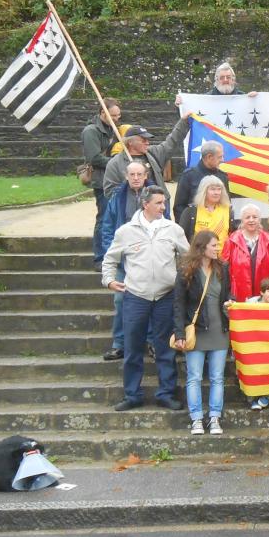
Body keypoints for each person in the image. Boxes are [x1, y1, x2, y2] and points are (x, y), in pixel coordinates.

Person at [101, 186, 189, 412]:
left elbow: (188, 258)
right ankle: (132, 394)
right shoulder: (126, 231)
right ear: (145, 204)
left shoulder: (173, 229)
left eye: (164, 203)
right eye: (159, 203)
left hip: (166, 296)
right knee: (132, 347)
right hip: (135, 296)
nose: (163, 207)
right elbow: (109, 259)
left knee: (165, 349)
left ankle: (166, 393)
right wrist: (109, 280)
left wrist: (182, 281)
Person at [172, 230, 232, 436]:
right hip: (196, 331)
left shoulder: (223, 267)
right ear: (202, 247)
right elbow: (178, 304)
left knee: (217, 377)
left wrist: (230, 302)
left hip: (220, 331)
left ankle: (215, 417)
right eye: (214, 245)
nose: (218, 248)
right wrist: (179, 333)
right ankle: (196, 418)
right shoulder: (186, 270)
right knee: (194, 377)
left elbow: (228, 293)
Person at [99, 161, 148, 361]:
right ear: (126, 176)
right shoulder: (117, 197)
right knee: (120, 300)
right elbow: (108, 227)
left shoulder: (157, 196)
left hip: (148, 260)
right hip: (123, 260)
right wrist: (112, 252)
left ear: (146, 176)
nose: (136, 178)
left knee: (153, 300)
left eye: (139, 174)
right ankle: (119, 344)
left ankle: (151, 342)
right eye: (132, 174)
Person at [102, 114, 191, 211]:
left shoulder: (154, 153)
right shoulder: (115, 163)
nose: (147, 142)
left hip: (159, 209)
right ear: (130, 142)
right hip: (131, 213)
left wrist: (184, 122)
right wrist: (132, 191)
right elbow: (109, 192)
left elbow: (172, 142)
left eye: (148, 140)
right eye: (143, 140)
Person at [81, 97, 122, 267]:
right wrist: (117, 162)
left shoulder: (116, 130)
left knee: (116, 218)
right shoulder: (91, 131)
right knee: (104, 218)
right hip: (101, 180)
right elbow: (94, 158)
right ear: (102, 113)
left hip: (116, 179)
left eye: (118, 115)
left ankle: (114, 256)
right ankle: (100, 258)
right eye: (112, 115)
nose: (116, 119)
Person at [222, 203, 269, 302]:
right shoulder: (231, 240)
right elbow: (223, 270)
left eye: (255, 217)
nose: (251, 220)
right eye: (247, 217)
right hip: (238, 295)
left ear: (259, 219)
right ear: (242, 220)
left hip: (264, 297)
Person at [246, 277, 269, 411]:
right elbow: (231, 313)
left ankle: (267, 396)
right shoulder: (249, 304)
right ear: (261, 292)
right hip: (253, 345)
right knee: (252, 371)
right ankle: (252, 399)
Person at [173, 140, 229, 221]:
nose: (222, 160)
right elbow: (179, 207)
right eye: (220, 157)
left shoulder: (223, 177)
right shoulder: (188, 176)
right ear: (209, 157)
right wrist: (186, 229)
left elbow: (226, 204)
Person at [177, 176, 235, 251]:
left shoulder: (229, 211)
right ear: (204, 191)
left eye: (219, 189)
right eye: (212, 189)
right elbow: (181, 239)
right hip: (198, 259)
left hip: (222, 259)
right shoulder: (190, 212)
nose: (216, 192)